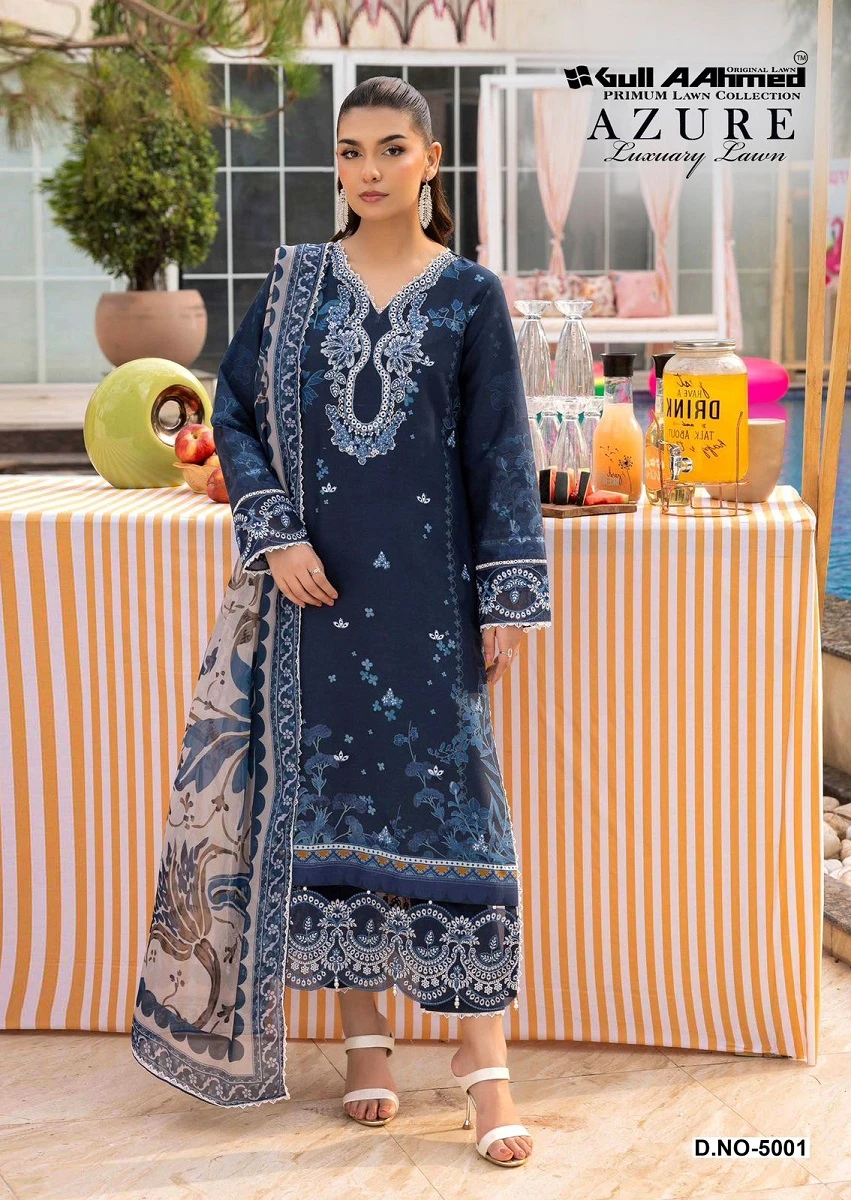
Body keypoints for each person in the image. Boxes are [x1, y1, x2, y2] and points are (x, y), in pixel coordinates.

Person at [130, 76, 551, 1169]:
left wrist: (504, 597)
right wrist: (274, 535)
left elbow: (500, 451)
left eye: (391, 148)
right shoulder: (297, 285)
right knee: (334, 803)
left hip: (429, 603)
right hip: (317, 601)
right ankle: (366, 1040)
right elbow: (231, 412)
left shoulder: (468, 297)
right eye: (351, 151)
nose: (368, 169)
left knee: (460, 811)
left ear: (430, 160)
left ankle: (483, 1063)